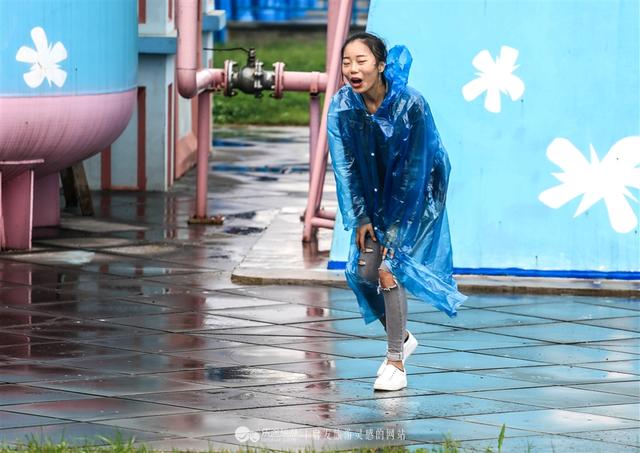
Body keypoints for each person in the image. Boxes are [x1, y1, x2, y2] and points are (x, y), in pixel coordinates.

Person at [327, 32, 467, 391]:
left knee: (390, 268)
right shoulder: (343, 107)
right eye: (347, 62)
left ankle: (396, 363)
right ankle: (402, 336)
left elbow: (417, 170)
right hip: (373, 200)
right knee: (362, 274)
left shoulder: (411, 105)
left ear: (381, 65)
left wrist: (395, 233)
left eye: (361, 61)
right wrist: (360, 216)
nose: (353, 69)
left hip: (419, 196)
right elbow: (344, 166)